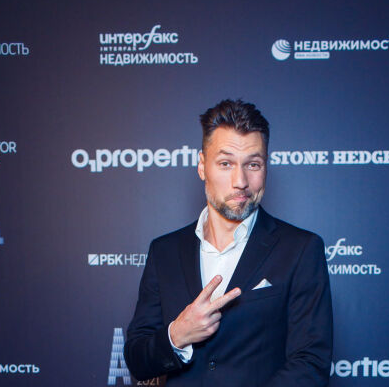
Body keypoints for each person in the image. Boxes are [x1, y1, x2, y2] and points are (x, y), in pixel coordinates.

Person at [124, 99, 333, 386]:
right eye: (226, 163)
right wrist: (177, 335)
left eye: (253, 164)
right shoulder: (164, 251)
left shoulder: (300, 249)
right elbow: (137, 359)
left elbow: (310, 364)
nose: (240, 181)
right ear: (202, 166)